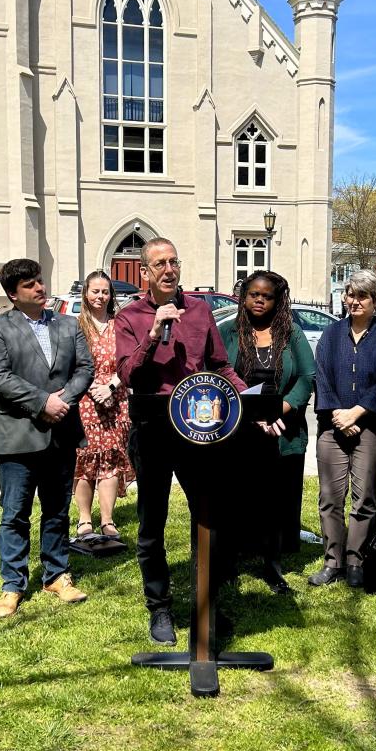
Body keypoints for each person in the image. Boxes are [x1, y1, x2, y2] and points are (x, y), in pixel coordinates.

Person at [115, 238, 245, 645]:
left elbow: (220, 364)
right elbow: (128, 375)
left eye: (174, 261)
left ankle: (206, 603)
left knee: (208, 520)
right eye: (160, 264)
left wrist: (247, 398)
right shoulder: (130, 317)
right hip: (152, 431)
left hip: (198, 431)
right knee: (152, 523)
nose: (169, 270)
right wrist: (153, 334)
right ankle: (159, 607)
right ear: (145, 273)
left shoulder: (201, 310)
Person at [0, 258, 94, 619]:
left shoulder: (68, 323)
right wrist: (42, 401)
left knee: (57, 511)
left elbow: (85, 368)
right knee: (15, 513)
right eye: (30, 285)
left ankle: (56, 575)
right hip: (18, 435)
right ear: (13, 293)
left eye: (40, 281)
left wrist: (63, 401)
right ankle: (12, 584)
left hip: (61, 433)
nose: (40, 288)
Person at [218, 270, 315, 594]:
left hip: (281, 429)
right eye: (254, 294)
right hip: (237, 428)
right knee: (232, 499)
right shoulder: (228, 332)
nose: (260, 300)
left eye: (267, 296)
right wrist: (249, 416)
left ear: (278, 301)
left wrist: (278, 410)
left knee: (277, 501)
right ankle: (228, 563)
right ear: (244, 297)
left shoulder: (292, 334)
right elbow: (216, 374)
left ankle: (273, 569)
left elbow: (306, 378)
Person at [310, 270, 376, 588]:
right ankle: (333, 561)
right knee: (330, 498)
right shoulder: (331, 334)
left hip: (372, 428)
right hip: (332, 427)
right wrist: (339, 414)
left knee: (364, 497)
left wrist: (357, 414)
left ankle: (356, 560)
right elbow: (321, 375)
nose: (354, 300)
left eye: (362, 296)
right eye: (350, 294)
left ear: (375, 301)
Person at [73, 270, 133, 540]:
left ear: (112, 295)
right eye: (95, 291)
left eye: (105, 291)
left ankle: (107, 520)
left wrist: (112, 387)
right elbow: (68, 365)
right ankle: (85, 519)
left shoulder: (121, 324)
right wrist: (92, 388)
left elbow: (129, 361)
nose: (100, 296)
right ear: (86, 293)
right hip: (84, 401)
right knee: (85, 460)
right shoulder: (75, 326)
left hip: (116, 398)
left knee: (110, 458)